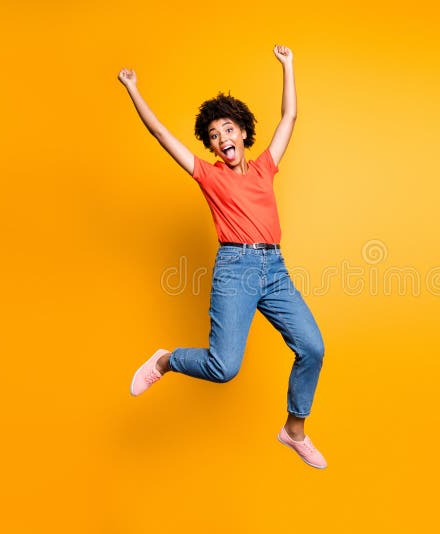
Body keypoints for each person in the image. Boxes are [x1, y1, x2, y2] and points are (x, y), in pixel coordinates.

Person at [118, 45, 327, 469]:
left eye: (228, 130)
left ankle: (294, 429)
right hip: (236, 269)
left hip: (274, 269)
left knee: (313, 346)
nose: (222, 139)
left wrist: (287, 66)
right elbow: (161, 134)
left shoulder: (266, 166)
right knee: (223, 367)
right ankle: (166, 359)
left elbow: (289, 118)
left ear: (244, 133)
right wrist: (133, 89)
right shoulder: (208, 175)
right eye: (214, 136)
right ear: (212, 147)